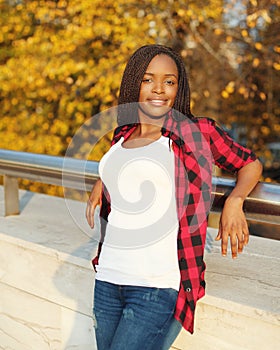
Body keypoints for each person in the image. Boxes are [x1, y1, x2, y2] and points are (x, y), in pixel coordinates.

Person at [86, 44, 263, 350]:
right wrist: (105, 180)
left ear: (178, 89)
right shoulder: (123, 135)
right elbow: (127, 172)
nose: (159, 89)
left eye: (169, 81)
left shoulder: (196, 132)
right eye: (148, 79)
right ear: (133, 84)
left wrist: (235, 201)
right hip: (107, 278)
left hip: (155, 287)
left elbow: (250, 163)